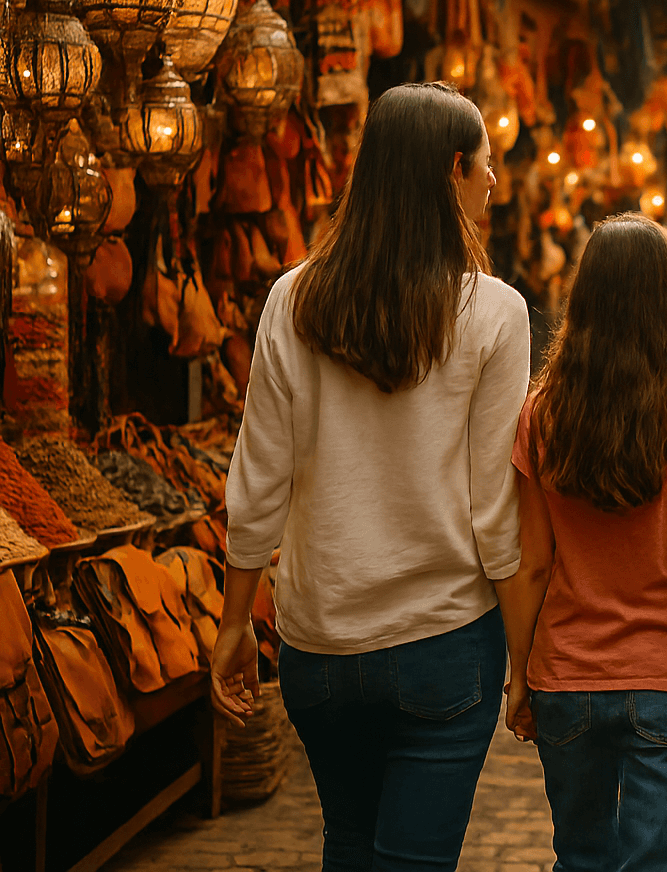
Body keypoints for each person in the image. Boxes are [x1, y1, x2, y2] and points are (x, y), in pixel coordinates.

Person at [211, 82, 530, 871]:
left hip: (317, 647)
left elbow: (258, 479)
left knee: (349, 847)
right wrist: (529, 654)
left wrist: (232, 625)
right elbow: (495, 512)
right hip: (446, 643)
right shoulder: (495, 313)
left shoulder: (293, 298)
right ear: (454, 167)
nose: (495, 180)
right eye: (487, 163)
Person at [496, 213, 667, 872]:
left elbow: (531, 563)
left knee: (580, 857)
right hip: (664, 683)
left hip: (565, 677)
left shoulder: (542, 414)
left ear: (584, 299)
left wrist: (520, 677)